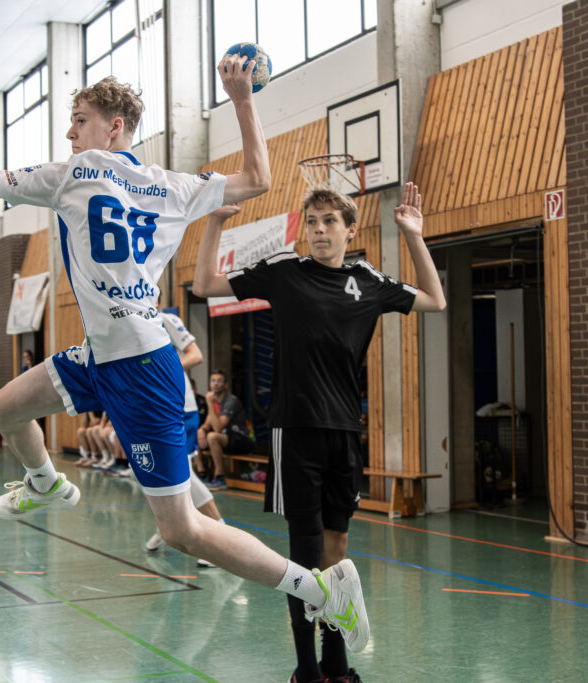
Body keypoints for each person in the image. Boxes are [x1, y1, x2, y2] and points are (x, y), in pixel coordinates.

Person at [0, 56, 369, 654]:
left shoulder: (74, 172)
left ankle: (319, 589)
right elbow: (258, 176)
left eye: (79, 119)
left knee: (182, 531)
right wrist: (242, 98)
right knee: (2, 407)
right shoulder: (172, 185)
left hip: (141, 367)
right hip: (103, 354)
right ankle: (44, 482)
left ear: (113, 127)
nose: (70, 132)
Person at [193, 183, 447, 683]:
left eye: (330, 221)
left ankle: (335, 663)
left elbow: (435, 300)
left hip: (344, 432)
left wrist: (414, 236)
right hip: (295, 430)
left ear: (351, 230)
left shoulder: (367, 280)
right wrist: (216, 221)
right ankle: (306, 670)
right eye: (312, 221)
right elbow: (203, 284)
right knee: (304, 556)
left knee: (337, 550)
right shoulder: (285, 272)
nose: (319, 230)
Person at [142, 310, 227, 568]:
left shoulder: (166, 320)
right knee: (149, 471)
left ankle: (220, 534)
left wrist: (161, 371)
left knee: (184, 475)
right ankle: (171, 526)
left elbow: (195, 355)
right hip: (154, 409)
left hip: (180, 409)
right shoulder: (129, 323)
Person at [196, 368, 254, 490]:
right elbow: (207, 424)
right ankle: (202, 474)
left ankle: (220, 477)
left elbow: (218, 428)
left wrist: (210, 404)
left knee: (212, 436)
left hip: (242, 440)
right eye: (213, 380)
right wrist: (201, 431)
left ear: (225, 384)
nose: (215, 383)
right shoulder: (214, 401)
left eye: (219, 381)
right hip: (226, 440)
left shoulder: (231, 400)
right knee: (194, 435)